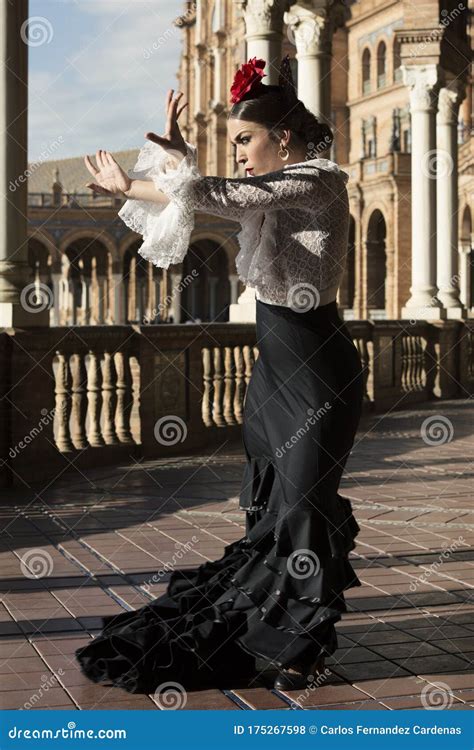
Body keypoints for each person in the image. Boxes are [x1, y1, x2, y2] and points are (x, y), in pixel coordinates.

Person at [76, 55, 364, 694]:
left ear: (281, 139)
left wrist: (180, 162)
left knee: (305, 501)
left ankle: (305, 642)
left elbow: (211, 192)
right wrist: (132, 187)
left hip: (318, 369)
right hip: (273, 367)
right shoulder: (268, 194)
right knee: (273, 502)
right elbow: (203, 200)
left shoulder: (316, 180)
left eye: (243, 139)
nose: (235, 151)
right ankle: (274, 627)